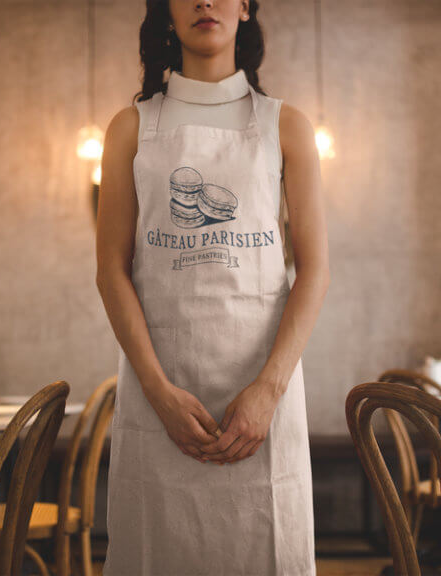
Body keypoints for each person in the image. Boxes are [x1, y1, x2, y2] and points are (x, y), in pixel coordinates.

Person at [95, 0, 329, 573]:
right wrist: (158, 393)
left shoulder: (286, 125)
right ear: (165, 13)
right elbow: (111, 271)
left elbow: (315, 270)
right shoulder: (131, 128)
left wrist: (267, 392)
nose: (205, 0)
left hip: (263, 406)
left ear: (246, 9)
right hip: (159, 405)